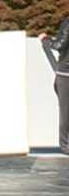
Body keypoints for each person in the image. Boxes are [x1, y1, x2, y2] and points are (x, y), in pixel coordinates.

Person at [39, 19, 69, 154]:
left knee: (65, 111)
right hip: (64, 73)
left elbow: (59, 45)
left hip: (65, 74)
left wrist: (46, 40)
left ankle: (65, 145)